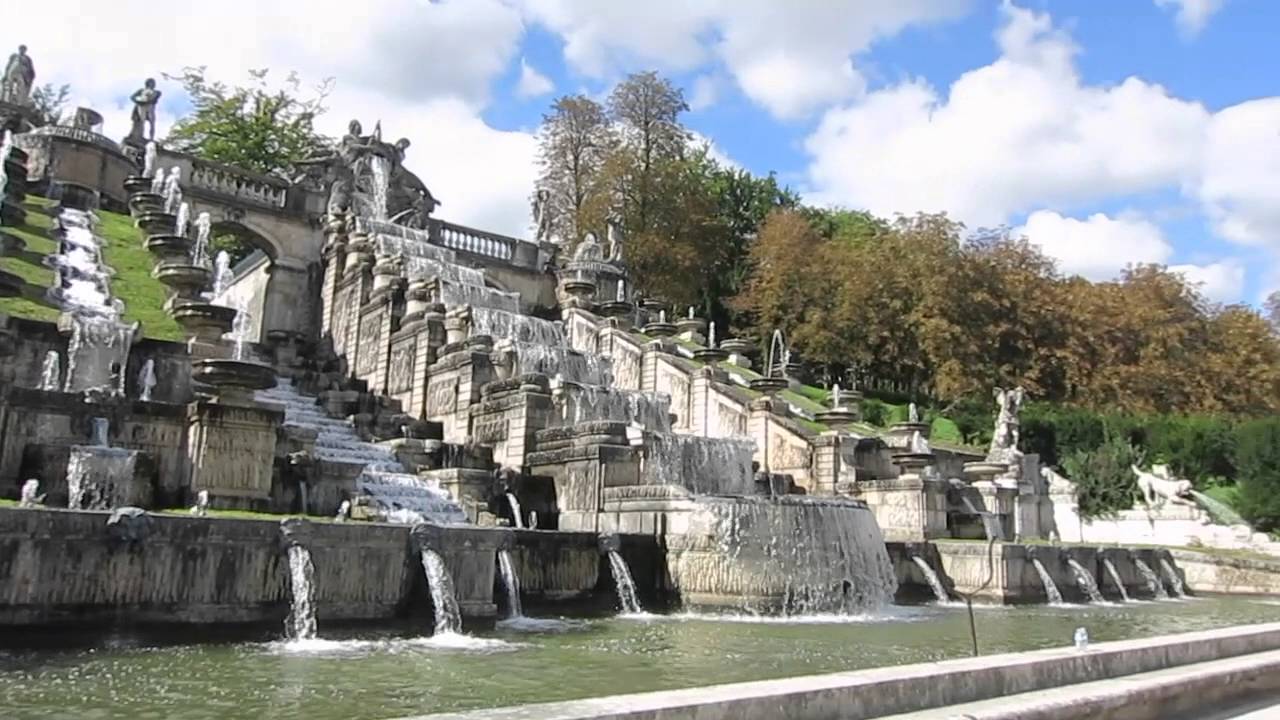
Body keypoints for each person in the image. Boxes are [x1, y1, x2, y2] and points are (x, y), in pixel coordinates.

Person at [127, 79, 162, 144]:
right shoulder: (141, 90)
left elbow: (156, 97)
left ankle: (151, 138)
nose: (153, 84)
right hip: (141, 107)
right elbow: (132, 97)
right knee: (141, 122)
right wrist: (139, 101)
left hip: (150, 108)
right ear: (147, 83)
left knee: (152, 124)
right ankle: (139, 136)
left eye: (153, 83)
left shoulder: (156, 92)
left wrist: (149, 101)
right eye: (151, 83)